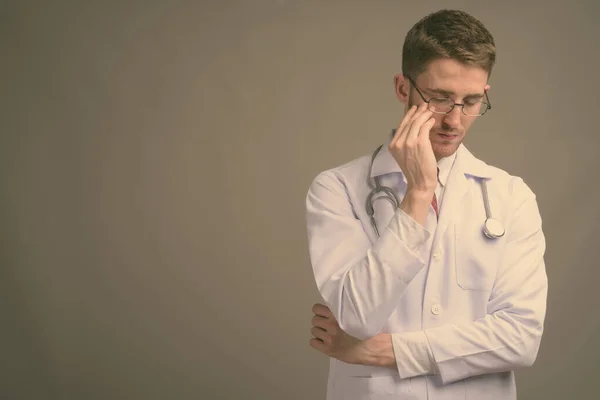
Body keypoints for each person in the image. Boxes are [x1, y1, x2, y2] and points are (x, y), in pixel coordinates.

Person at [304, 9, 548, 400]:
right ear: (403, 89)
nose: (455, 119)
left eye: (470, 101)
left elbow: (521, 338)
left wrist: (390, 352)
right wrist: (418, 193)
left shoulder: (511, 196)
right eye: (440, 99)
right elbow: (358, 316)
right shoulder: (337, 188)